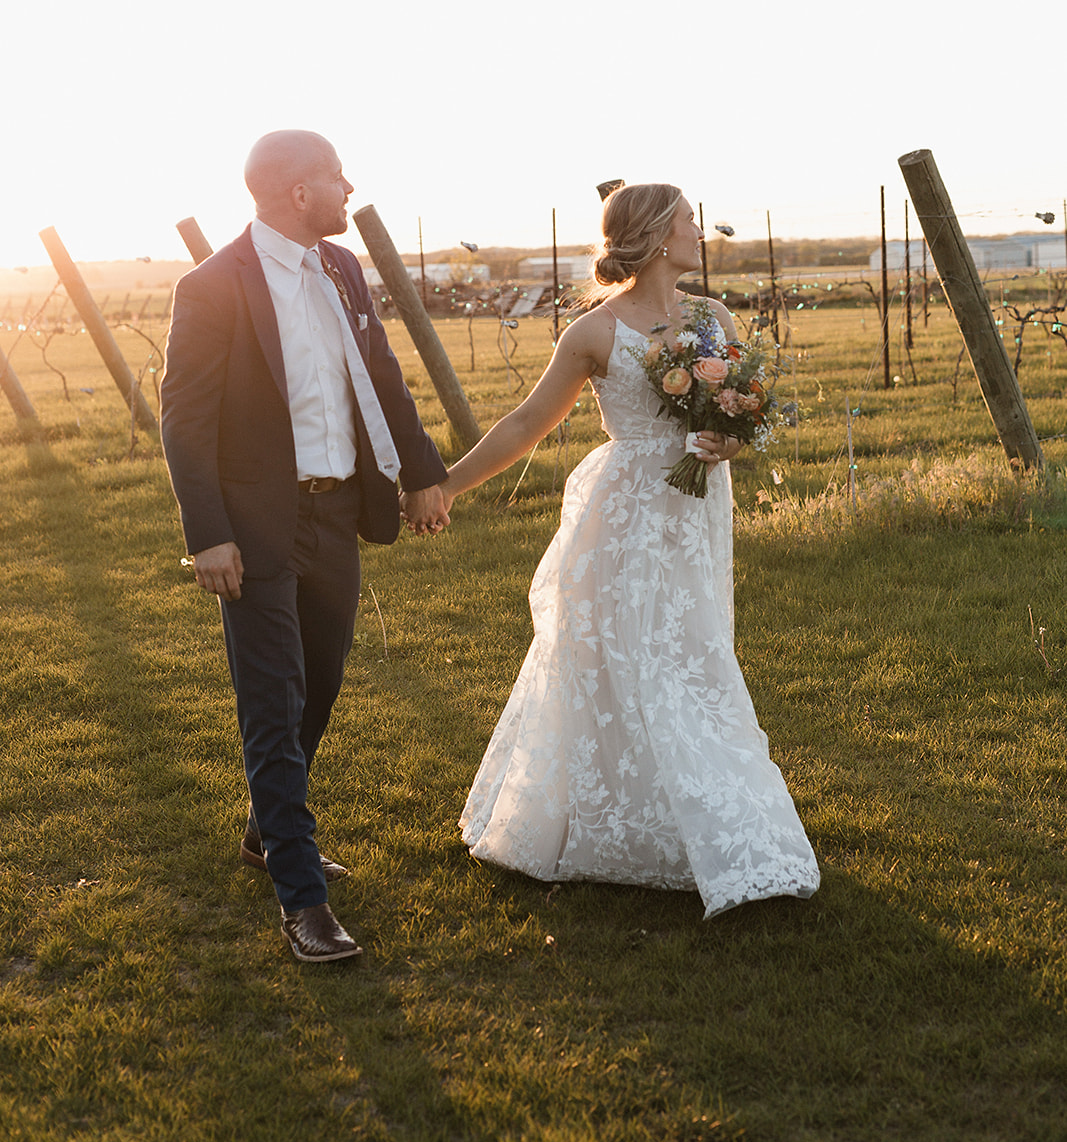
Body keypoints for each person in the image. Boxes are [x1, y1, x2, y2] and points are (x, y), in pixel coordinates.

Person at [440, 183, 819, 918]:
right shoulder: (592, 333)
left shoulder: (713, 317)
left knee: (691, 651)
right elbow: (525, 425)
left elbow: (748, 416)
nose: (700, 234)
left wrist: (728, 441)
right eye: (688, 222)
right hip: (623, 512)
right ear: (653, 237)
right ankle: (605, 821)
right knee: (614, 655)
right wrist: (448, 487)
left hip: (694, 510)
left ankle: (704, 823)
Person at [160, 129, 450, 962]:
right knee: (273, 699)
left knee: (317, 684)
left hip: (335, 516)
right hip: (256, 523)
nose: (347, 186)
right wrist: (208, 534)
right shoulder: (211, 286)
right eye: (334, 176)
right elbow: (184, 420)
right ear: (296, 192)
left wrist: (421, 471)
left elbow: (382, 376)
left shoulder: (344, 269)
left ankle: (263, 829)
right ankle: (301, 896)